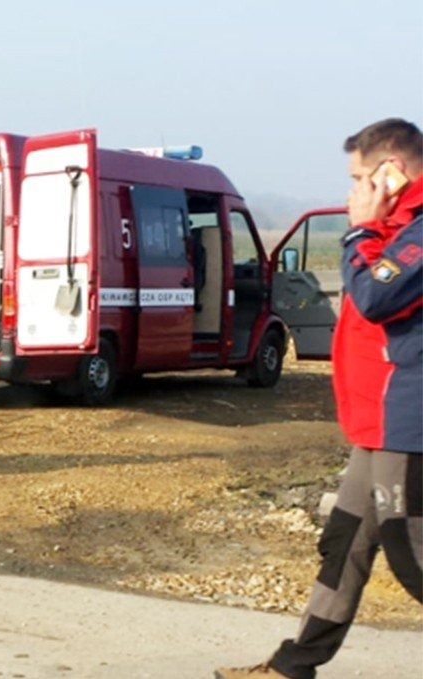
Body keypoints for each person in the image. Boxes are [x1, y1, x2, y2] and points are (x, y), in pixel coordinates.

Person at [217, 119, 422, 678]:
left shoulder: (417, 232)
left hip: (407, 421)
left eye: (360, 177)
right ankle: (294, 665)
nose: (353, 190)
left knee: (414, 559)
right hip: (375, 423)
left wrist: (360, 231)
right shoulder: (397, 227)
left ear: (391, 172)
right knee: (345, 542)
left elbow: (378, 295)